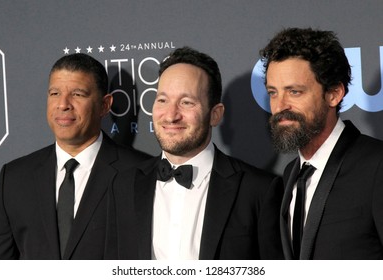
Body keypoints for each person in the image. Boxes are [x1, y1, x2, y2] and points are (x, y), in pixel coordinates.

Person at [105, 46, 284, 260]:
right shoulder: (123, 185)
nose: (171, 115)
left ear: (215, 115)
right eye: (162, 100)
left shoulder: (258, 191)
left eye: (186, 102)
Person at [0, 53, 150, 259]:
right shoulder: (14, 178)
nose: (63, 104)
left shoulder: (141, 174)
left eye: (77, 94)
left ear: (104, 105)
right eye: (55, 93)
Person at [260, 27, 383, 259]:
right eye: (273, 93)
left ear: (334, 94)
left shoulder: (377, 165)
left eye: (294, 92)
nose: (279, 106)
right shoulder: (290, 174)